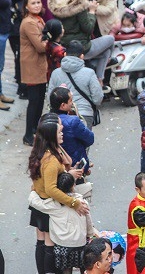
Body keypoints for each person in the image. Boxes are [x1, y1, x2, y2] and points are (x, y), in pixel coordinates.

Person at [28, 113, 88, 274]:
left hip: (41, 202)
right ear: (51, 135)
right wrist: (73, 203)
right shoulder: (51, 161)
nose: (62, 132)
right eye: (59, 131)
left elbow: (63, 167)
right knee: (49, 243)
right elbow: (51, 189)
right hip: (48, 204)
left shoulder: (47, 152)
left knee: (44, 240)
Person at [47, 0, 115, 81]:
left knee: (106, 52)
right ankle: (97, 72)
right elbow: (88, 28)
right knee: (110, 39)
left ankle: (99, 79)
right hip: (81, 46)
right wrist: (92, 11)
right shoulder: (79, 3)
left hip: (63, 43)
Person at [28, 172, 94, 273]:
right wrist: (90, 235)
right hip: (80, 244)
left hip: (62, 246)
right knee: (84, 268)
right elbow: (88, 222)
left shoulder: (54, 205)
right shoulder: (82, 203)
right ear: (73, 185)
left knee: (66, 270)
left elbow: (35, 202)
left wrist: (34, 190)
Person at [48, 40, 104, 129]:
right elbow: (98, 99)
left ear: (65, 54)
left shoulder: (55, 73)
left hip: (61, 117)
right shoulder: (89, 73)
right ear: (82, 56)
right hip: (84, 115)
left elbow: (50, 99)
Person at [20, 0, 48, 146]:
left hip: (39, 65)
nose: (37, 5)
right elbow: (40, 46)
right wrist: (50, 41)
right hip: (32, 65)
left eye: (38, 2)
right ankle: (28, 135)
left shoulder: (37, 19)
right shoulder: (29, 22)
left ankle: (34, 131)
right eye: (33, 3)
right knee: (34, 102)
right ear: (26, 6)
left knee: (38, 101)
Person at [49, 86, 94, 174]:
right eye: (70, 101)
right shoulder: (73, 121)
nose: (72, 103)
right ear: (63, 105)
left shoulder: (43, 120)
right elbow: (90, 139)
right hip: (74, 164)